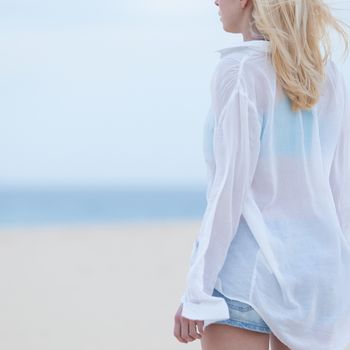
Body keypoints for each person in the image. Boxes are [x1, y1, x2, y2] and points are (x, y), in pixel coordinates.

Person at [173, 0, 350, 349]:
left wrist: (197, 289)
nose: (215, 1)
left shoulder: (240, 70)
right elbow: (340, 187)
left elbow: (229, 190)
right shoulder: (327, 74)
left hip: (248, 277)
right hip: (316, 278)